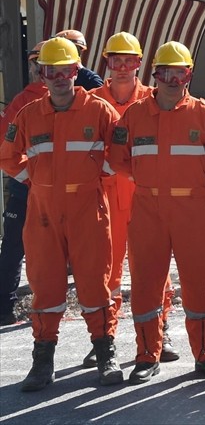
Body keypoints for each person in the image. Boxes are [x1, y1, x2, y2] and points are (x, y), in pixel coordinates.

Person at [0, 37, 122, 390]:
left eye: (65, 70)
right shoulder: (29, 113)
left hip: (88, 209)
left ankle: (105, 355)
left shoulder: (99, 111)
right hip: (43, 212)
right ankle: (42, 363)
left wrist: (96, 178)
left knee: (95, 284)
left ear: (76, 71)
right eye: (50, 71)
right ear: (41, 73)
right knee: (45, 286)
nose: (58, 77)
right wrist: (35, 180)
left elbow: (119, 153)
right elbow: (8, 157)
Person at [108, 41, 205, 383]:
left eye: (180, 72)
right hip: (148, 207)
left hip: (194, 208)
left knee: (199, 283)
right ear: (156, 75)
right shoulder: (134, 115)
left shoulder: (204, 113)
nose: (173, 79)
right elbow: (118, 158)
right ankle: (147, 356)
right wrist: (148, 179)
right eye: (166, 72)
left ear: (189, 74)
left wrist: (192, 180)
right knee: (147, 283)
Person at [88, 32, 166, 367]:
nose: (122, 68)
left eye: (129, 61)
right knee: (107, 270)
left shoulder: (154, 99)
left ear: (139, 64)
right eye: (115, 61)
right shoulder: (90, 101)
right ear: (107, 63)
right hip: (105, 197)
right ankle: (106, 338)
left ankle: (161, 330)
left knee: (153, 268)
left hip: (145, 194)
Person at [0, 41, 47, 326]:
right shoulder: (24, 101)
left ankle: (6, 308)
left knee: (14, 247)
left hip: (27, 187)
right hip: (38, 188)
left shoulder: (21, 101)